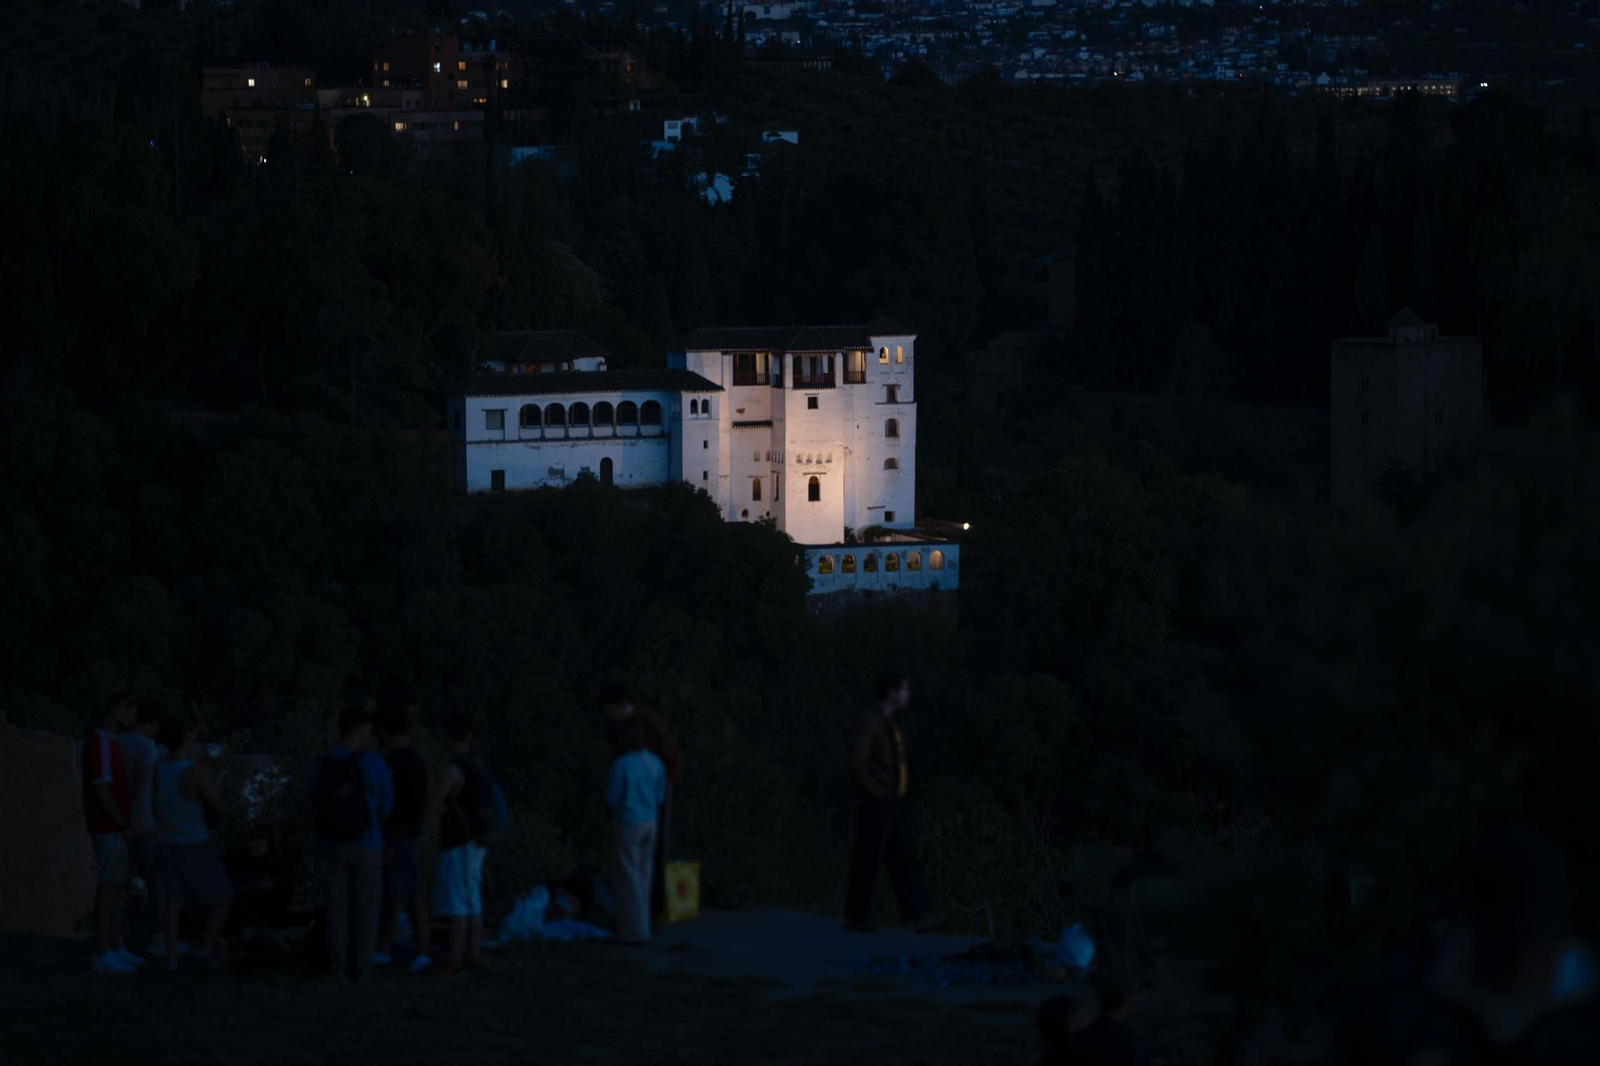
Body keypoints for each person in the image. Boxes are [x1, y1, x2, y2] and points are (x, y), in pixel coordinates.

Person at [844, 671, 940, 934]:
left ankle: (917, 915)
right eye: (904, 689)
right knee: (868, 858)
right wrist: (875, 791)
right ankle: (856, 916)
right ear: (892, 691)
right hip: (880, 801)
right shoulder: (871, 721)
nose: (908, 695)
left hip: (898, 801)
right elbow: (857, 763)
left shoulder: (891, 723)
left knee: (905, 857)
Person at [308, 706, 394, 985]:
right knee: (367, 910)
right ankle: (363, 970)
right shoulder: (373, 763)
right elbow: (386, 804)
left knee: (336, 910)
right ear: (360, 730)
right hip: (367, 844)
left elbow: (312, 803)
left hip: (330, 844)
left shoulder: (321, 763)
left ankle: (338, 969)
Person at [152, 717, 232, 971]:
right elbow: (220, 807)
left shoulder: (158, 769)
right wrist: (209, 773)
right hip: (194, 844)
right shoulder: (195, 773)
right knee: (222, 897)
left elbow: (180, 743)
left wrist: (197, 732)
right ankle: (206, 950)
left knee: (173, 902)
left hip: (165, 842)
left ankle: (172, 959)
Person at [600, 683, 683, 919]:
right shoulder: (624, 729)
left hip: (649, 788)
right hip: (645, 787)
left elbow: (670, 756)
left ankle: (649, 911)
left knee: (648, 856)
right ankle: (642, 912)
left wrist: (659, 788)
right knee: (643, 858)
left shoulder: (645, 722)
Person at [425, 712, 491, 977]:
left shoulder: (454, 769)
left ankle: (454, 956)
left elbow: (433, 804)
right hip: (477, 840)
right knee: (472, 897)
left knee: (457, 901)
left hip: (458, 842)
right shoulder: (478, 765)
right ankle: (472, 952)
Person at [83, 692, 143, 974]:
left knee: (115, 886)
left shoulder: (110, 743)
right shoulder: (101, 743)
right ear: (117, 709)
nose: (134, 716)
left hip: (114, 827)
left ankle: (113, 945)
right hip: (108, 828)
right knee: (108, 888)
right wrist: (121, 822)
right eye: (130, 709)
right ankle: (103, 951)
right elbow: (102, 789)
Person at [374, 705, 433, 974]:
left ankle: (415, 951)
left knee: (404, 894)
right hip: (406, 834)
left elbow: (405, 808)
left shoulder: (401, 762)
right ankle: (393, 949)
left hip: (402, 836)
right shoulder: (412, 760)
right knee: (402, 893)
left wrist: (392, 843)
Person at [605, 716, 666, 946]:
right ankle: (644, 925)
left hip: (629, 821)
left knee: (628, 877)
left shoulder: (622, 764)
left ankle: (634, 931)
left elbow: (612, 798)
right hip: (650, 821)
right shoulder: (655, 762)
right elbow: (660, 795)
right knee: (643, 873)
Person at [118, 701, 165, 953]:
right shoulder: (148, 749)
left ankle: (114, 938)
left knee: (114, 882)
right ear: (154, 725)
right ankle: (156, 936)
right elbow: (143, 789)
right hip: (142, 825)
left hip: (116, 822)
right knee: (155, 881)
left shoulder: (118, 742)